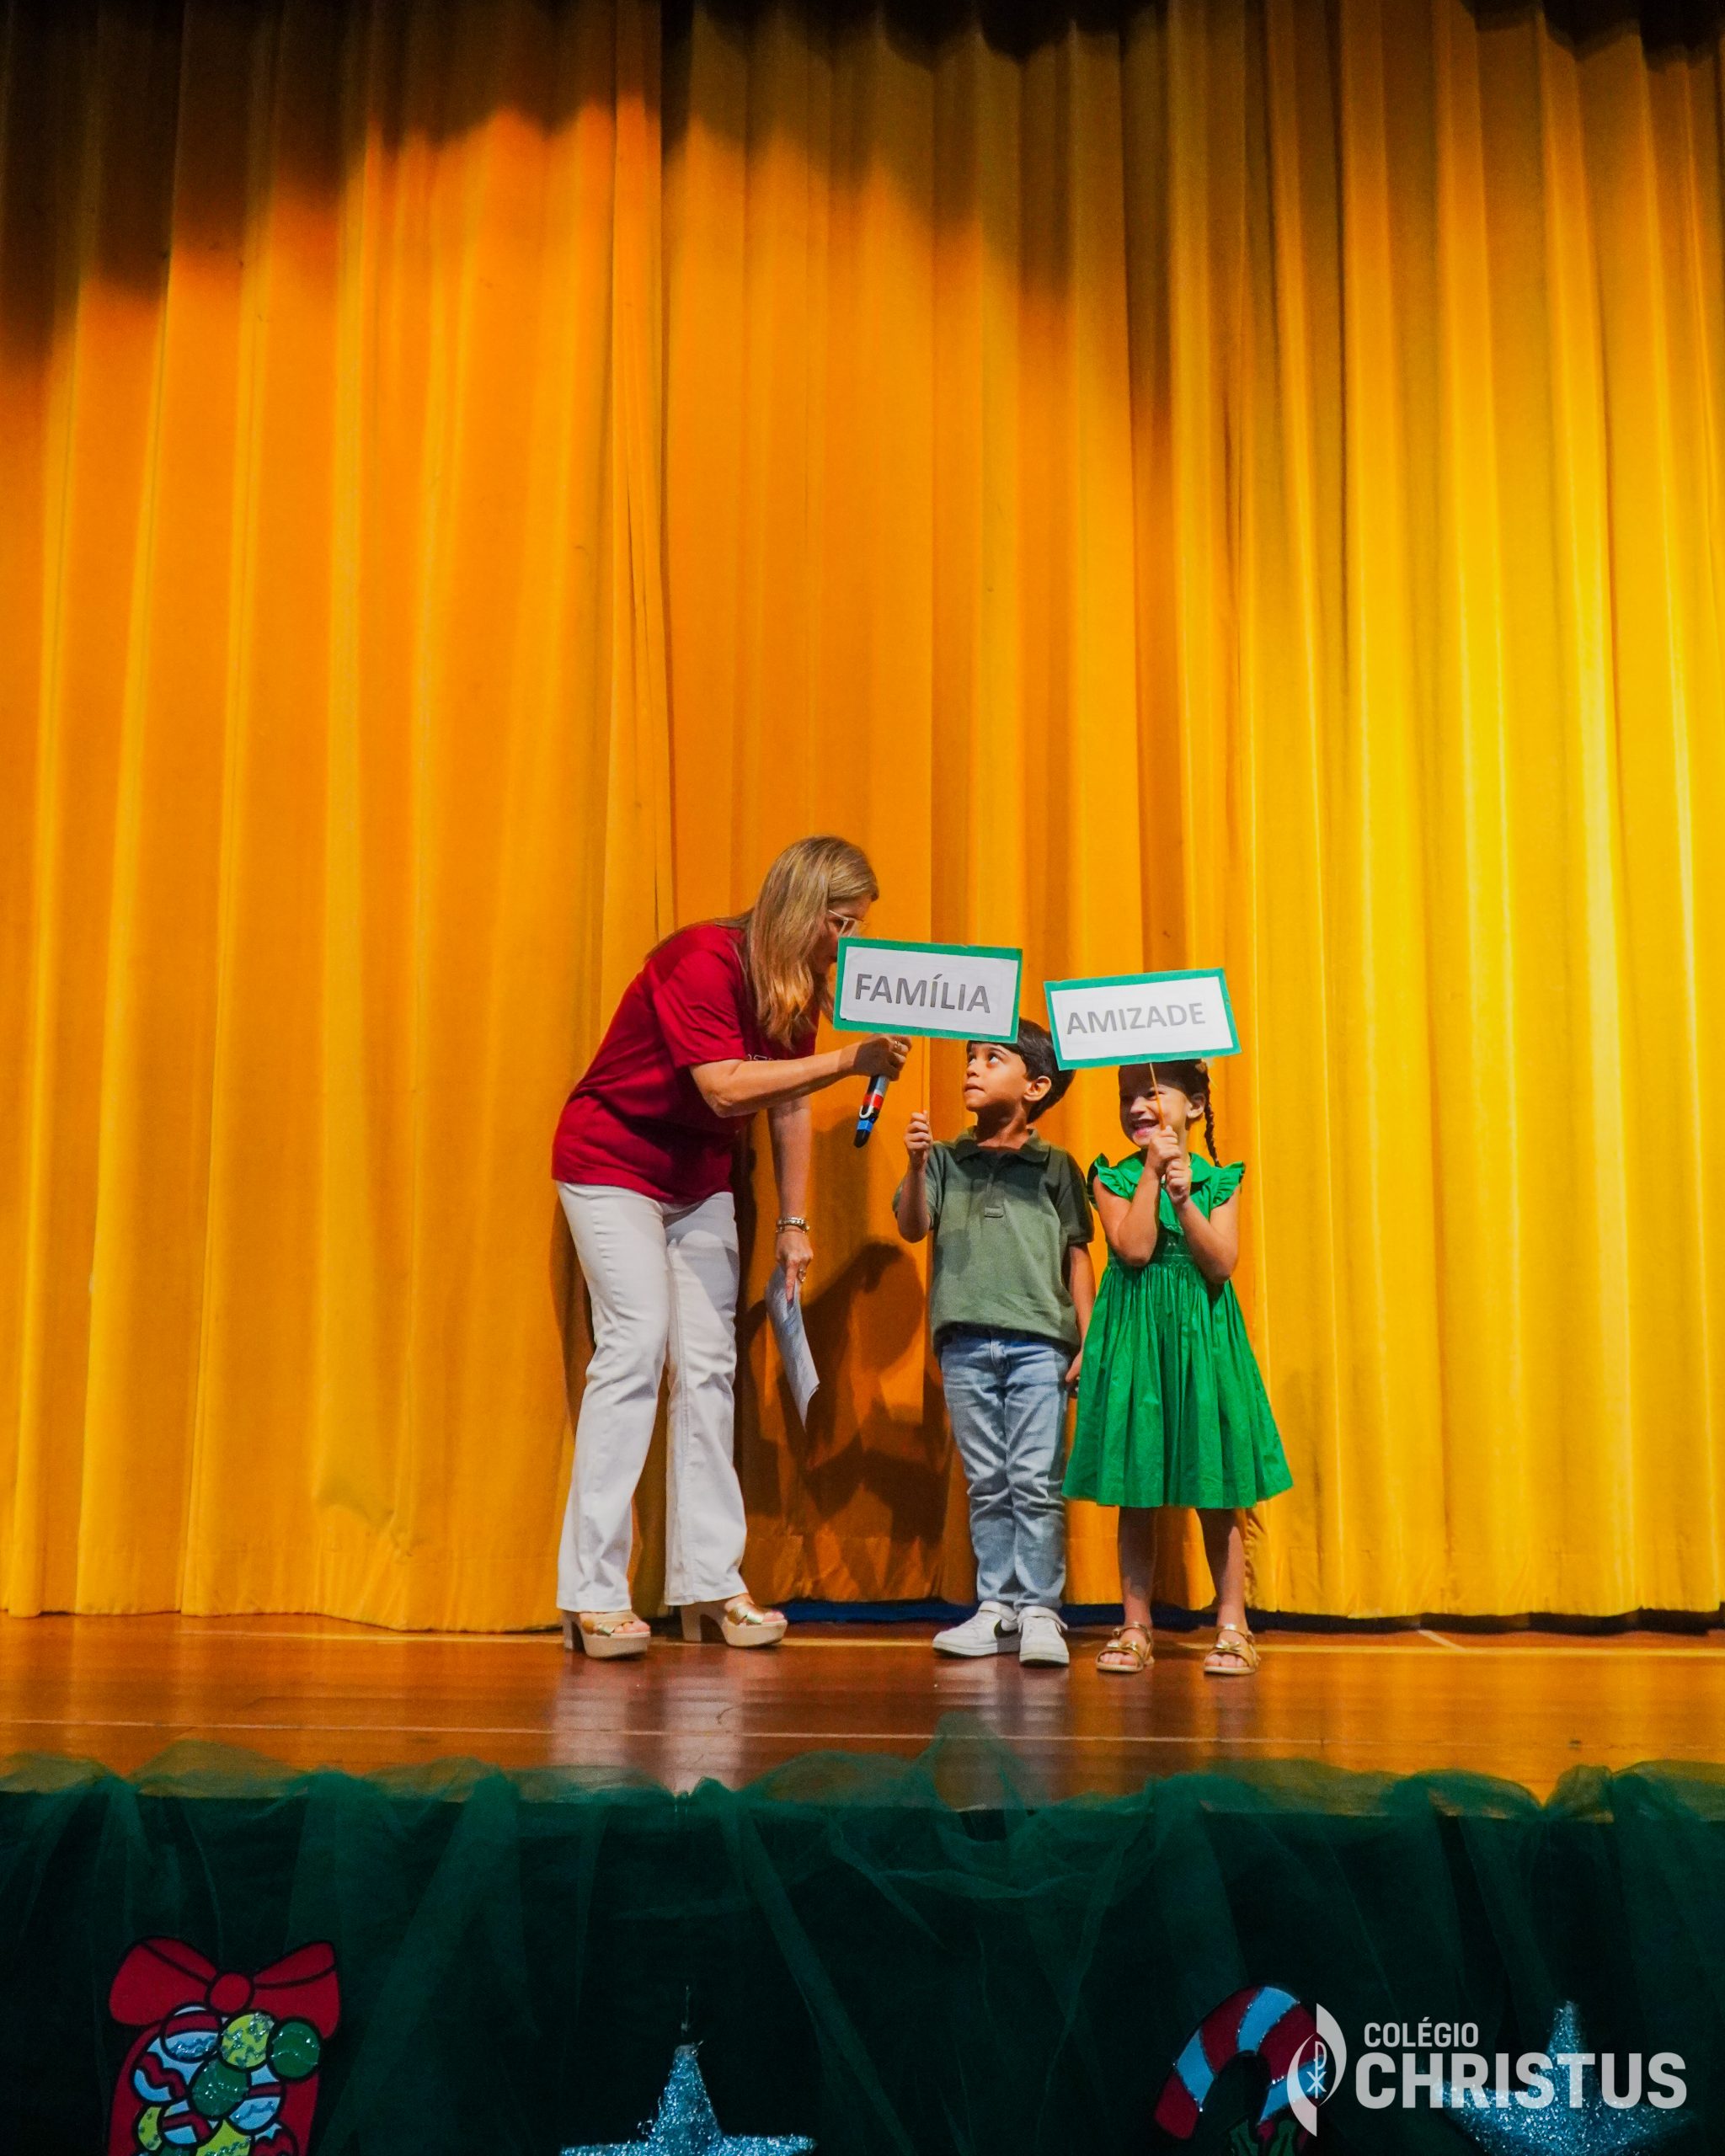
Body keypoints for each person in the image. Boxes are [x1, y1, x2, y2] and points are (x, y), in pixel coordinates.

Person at [552, 836, 911, 1659]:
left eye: (857, 926)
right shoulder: (701, 961)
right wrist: (847, 1060)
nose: (848, 942)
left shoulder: (795, 986)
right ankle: (593, 1593)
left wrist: (793, 1222)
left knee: (710, 1366)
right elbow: (722, 1086)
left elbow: (787, 1103)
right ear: (803, 906)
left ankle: (710, 1583)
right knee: (635, 1345)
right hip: (610, 1164)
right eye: (841, 923)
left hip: (697, 1179)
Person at [1063, 1060, 1291, 1677]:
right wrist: (1152, 1176)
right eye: (1126, 1097)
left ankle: (1233, 1624)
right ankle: (1136, 1624)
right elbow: (1134, 1249)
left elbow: (1221, 1264)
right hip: (1138, 1340)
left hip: (1202, 1341)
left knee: (1216, 1488)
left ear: (1194, 1106)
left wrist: (1185, 1201)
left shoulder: (1220, 1181)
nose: (1137, 1106)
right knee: (1136, 1489)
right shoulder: (1112, 1177)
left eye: (1151, 1093)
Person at [894, 1021, 1095, 1668]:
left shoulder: (1056, 1166)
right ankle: (998, 1607)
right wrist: (917, 1164)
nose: (973, 1068)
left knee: (1035, 1480)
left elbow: (1078, 1255)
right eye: (970, 1057)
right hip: (964, 1344)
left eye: (992, 1058)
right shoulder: (946, 1159)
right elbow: (912, 1225)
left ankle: (1039, 1609)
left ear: (1036, 1087)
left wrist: (1089, 1340)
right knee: (988, 1482)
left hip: (1041, 1346)